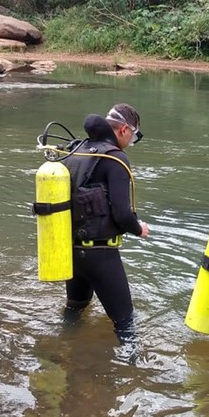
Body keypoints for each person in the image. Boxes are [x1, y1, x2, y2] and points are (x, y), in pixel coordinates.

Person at [62, 103, 149, 343]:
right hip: (100, 255)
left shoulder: (77, 149)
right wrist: (138, 228)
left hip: (70, 250)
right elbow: (122, 214)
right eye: (134, 136)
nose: (131, 142)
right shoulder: (115, 158)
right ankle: (132, 370)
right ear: (123, 130)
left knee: (74, 311)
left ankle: (62, 352)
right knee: (126, 323)